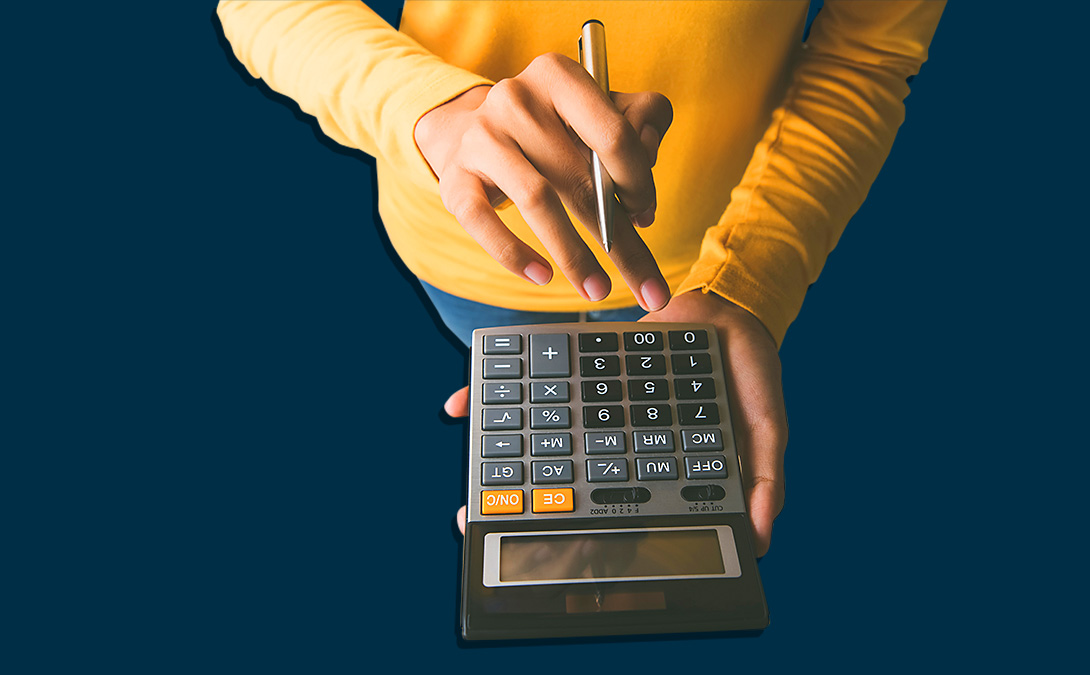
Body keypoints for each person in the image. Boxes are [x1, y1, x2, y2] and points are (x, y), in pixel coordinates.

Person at [217, 0, 945, 555]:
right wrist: (434, 109)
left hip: (705, 273)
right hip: (470, 244)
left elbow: (865, 58)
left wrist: (750, 276)